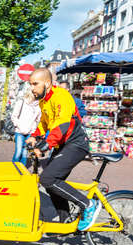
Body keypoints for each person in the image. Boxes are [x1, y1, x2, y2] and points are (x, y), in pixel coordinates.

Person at [25, 68, 100, 231]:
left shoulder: (62, 96)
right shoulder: (44, 100)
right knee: (52, 185)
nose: (32, 88)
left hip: (76, 143)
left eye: (35, 84)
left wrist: (45, 146)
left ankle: (87, 204)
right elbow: (44, 124)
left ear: (47, 83)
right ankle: (65, 224)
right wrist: (34, 136)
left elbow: (62, 125)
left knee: (48, 179)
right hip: (63, 144)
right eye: (30, 84)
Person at [11, 91, 41, 166]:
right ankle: (13, 169)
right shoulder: (21, 102)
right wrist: (18, 125)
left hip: (30, 132)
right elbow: (14, 116)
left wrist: (34, 129)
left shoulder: (38, 105)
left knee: (24, 153)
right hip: (19, 131)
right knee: (18, 152)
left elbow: (38, 119)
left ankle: (22, 171)